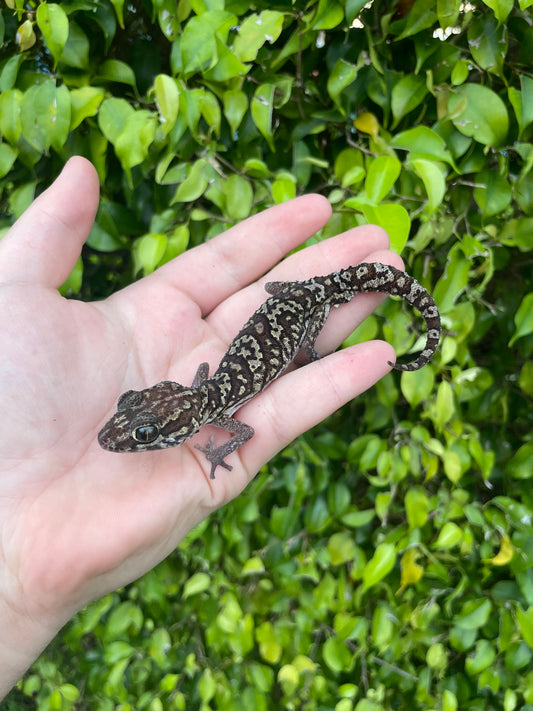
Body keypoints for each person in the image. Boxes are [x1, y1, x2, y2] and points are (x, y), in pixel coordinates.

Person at [0, 157, 401, 699]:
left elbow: (245, 434)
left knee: (311, 339)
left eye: (142, 434)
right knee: (305, 312)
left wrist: (217, 450)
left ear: (177, 419)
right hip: (290, 302)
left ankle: (355, 311)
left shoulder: (213, 412)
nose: (124, 437)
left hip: (304, 308)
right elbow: (216, 390)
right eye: (137, 424)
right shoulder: (201, 396)